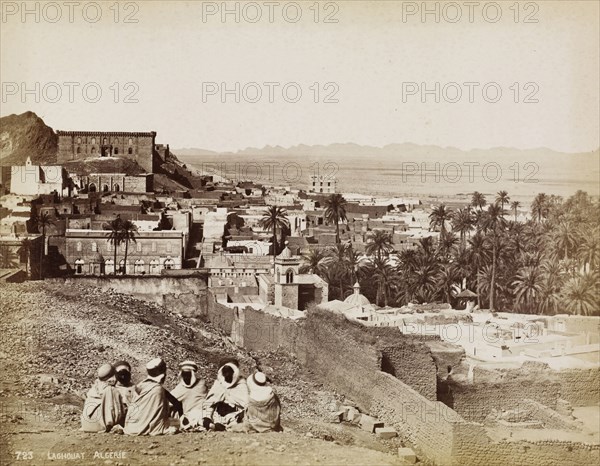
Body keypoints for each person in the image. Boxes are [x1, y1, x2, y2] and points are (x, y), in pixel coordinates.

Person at [124, 358, 182, 436]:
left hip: (131, 426)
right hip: (143, 427)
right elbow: (158, 417)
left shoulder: (142, 385)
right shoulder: (157, 389)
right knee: (178, 423)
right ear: (163, 374)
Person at [203, 358, 249, 431]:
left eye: (229, 372)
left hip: (235, 415)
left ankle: (223, 427)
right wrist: (207, 417)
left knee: (244, 420)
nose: (227, 375)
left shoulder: (241, 385)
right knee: (197, 415)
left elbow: (247, 405)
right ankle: (215, 425)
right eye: (225, 372)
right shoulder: (218, 385)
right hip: (217, 415)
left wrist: (242, 414)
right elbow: (209, 403)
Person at [81, 363, 126, 433]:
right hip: (98, 426)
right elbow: (116, 411)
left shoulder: (95, 386)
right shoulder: (110, 389)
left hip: (86, 424)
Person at [171, 360, 207, 430]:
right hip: (198, 415)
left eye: (188, 374)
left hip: (195, 415)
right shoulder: (202, 384)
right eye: (184, 374)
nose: (186, 377)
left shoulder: (201, 385)